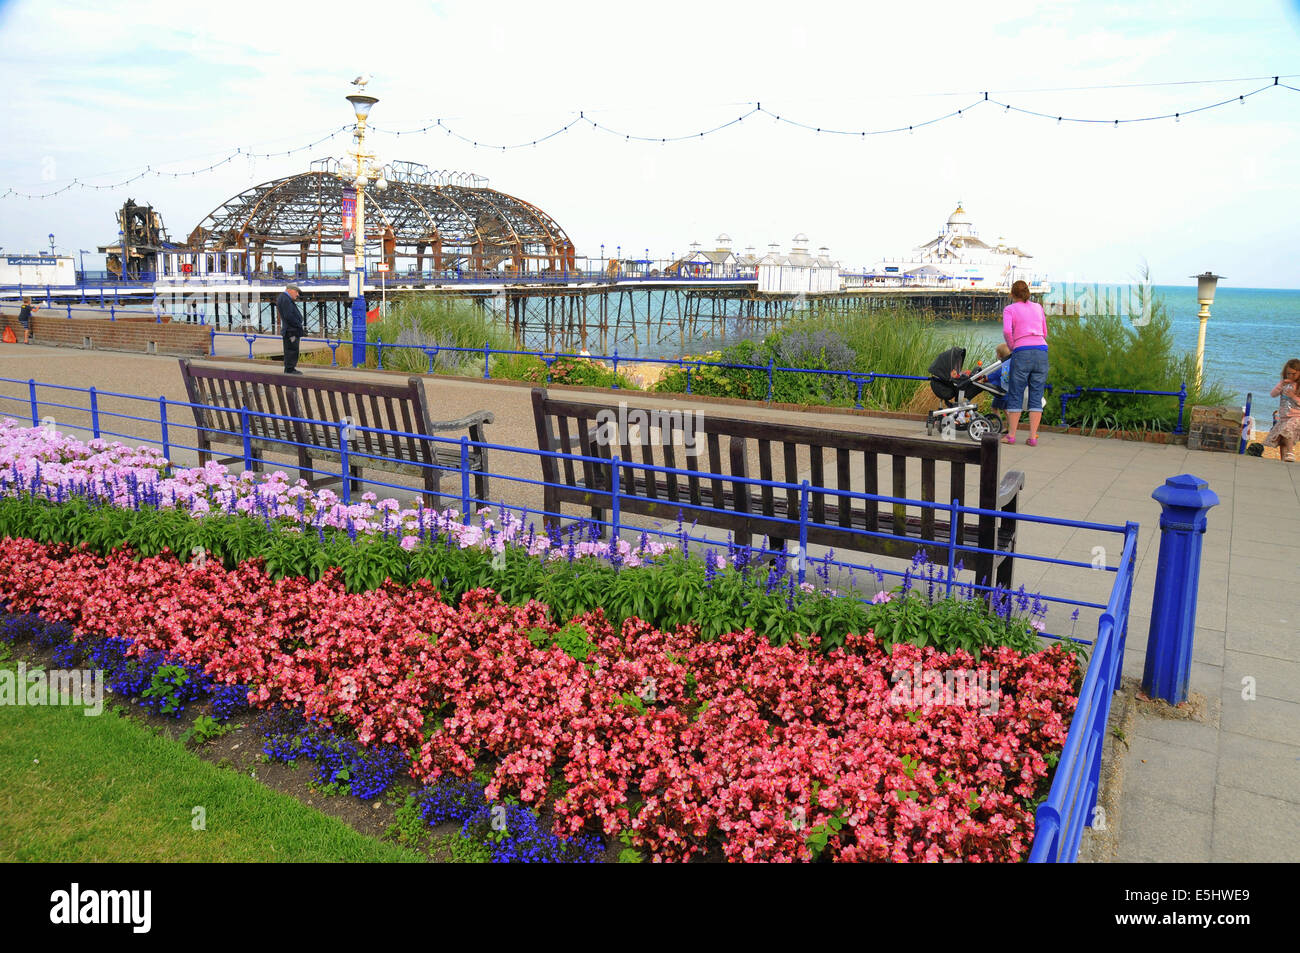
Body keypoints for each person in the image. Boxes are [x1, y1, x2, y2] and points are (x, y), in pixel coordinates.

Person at [1001, 280, 1049, 446]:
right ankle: (1033, 436)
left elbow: (1007, 331)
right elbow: (1045, 331)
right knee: (1037, 393)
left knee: (1016, 392)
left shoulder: (1010, 309)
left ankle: (1011, 435)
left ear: (1012, 294)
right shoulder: (1038, 307)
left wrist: (1013, 346)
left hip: (1022, 351)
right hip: (1041, 350)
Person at [1263, 358, 1300, 463]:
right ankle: (1284, 460)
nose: (1291, 376)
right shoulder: (1284, 384)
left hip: (1296, 416)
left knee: (1287, 430)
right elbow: (1273, 394)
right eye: (1288, 374)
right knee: (1282, 440)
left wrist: (1293, 396)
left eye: (1294, 374)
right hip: (1284, 417)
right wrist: (1281, 385)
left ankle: (1290, 452)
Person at [277, 285, 304, 375]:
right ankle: (290, 369)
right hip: (291, 331)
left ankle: (289, 368)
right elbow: (288, 316)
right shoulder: (285, 299)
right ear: (289, 290)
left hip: (290, 330)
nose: (297, 294)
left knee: (290, 349)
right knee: (292, 349)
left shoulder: (284, 298)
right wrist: (298, 324)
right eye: (296, 292)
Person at [987, 343, 1013, 425]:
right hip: (1007, 392)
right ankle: (1008, 427)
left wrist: (985, 378)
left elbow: (994, 375)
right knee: (1004, 410)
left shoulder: (1002, 366)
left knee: (996, 408)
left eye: (997, 353)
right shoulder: (1008, 364)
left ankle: (1000, 425)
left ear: (1000, 355)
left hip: (1001, 393)